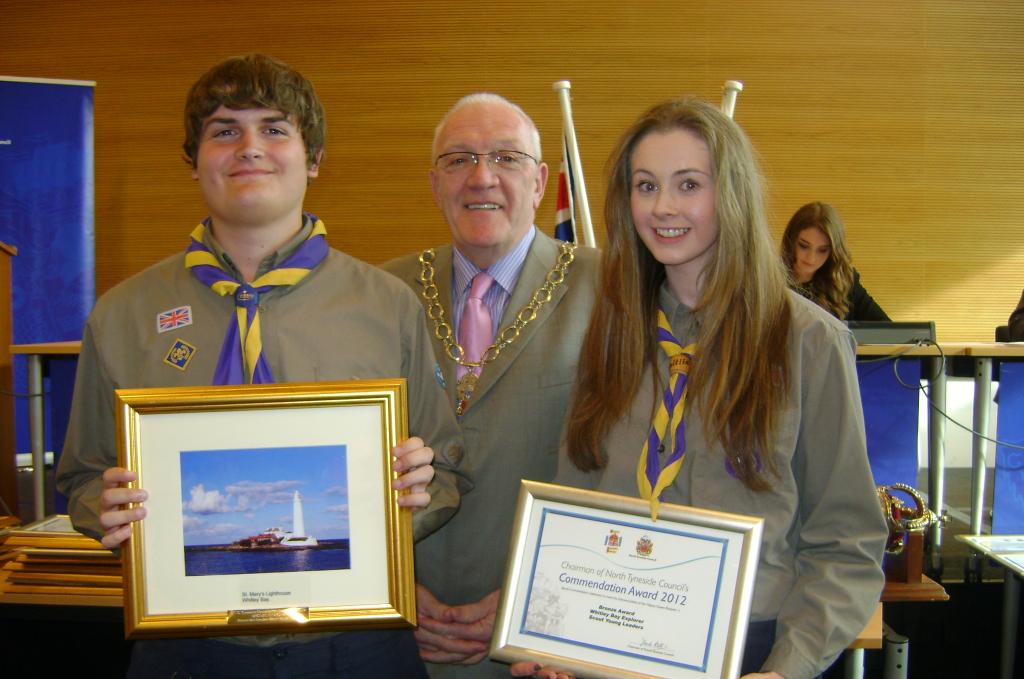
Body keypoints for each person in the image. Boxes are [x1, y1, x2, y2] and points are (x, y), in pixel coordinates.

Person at [55, 53, 466, 678]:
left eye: (274, 129)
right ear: (193, 160)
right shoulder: (122, 315)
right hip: (183, 650)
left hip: (357, 643)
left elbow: (448, 469)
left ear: (313, 158)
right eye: (224, 130)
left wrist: (414, 495)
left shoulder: (388, 305)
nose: (249, 147)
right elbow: (83, 476)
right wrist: (103, 509)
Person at [515, 99, 886, 679]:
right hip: (607, 639)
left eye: (688, 184)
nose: (663, 206)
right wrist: (549, 635)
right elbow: (574, 495)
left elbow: (847, 540)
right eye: (646, 185)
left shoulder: (809, 342)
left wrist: (786, 668)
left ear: (732, 195)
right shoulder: (611, 332)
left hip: (753, 651)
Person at [381, 93, 600, 678]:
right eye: (459, 160)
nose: (481, 177)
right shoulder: (381, 295)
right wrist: (389, 589)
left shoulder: (610, 291)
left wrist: (538, 597)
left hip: (547, 643)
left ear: (540, 180)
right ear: (435, 184)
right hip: (400, 637)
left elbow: (629, 473)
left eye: (506, 157)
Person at [780, 201, 889, 321]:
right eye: (804, 246)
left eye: (822, 250)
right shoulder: (771, 280)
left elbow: (887, 329)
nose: (811, 258)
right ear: (791, 240)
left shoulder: (845, 282)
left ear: (833, 251)